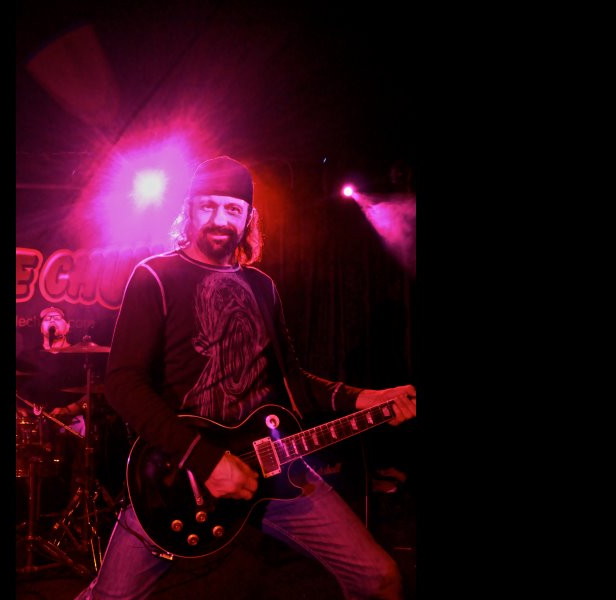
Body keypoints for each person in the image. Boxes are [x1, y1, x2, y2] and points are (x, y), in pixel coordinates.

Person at [74, 156, 416, 600]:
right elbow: (122, 383)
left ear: (249, 217)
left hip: (275, 466)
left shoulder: (262, 287)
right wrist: (206, 460)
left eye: (233, 209)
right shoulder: (154, 276)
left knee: (380, 578)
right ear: (189, 209)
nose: (220, 219)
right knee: (112, 597)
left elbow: (292, 381)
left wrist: (363, 397)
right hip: (179, 476)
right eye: (208, 206)